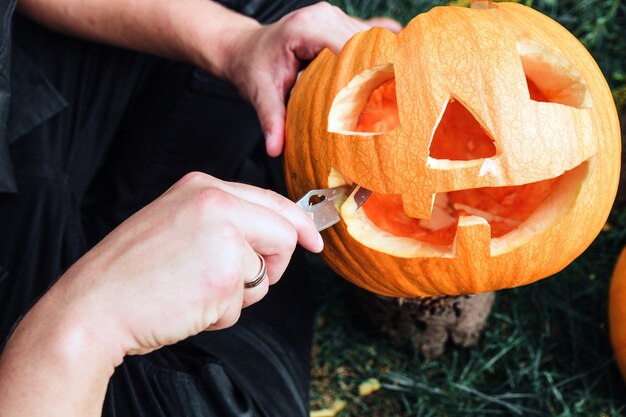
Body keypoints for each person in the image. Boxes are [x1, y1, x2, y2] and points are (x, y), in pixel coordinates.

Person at [0, 0, 401, 415]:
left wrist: (237, 42)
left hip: (18, 95)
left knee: (283, 26)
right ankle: (272, 152)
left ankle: (276, 128)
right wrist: (92, 325)